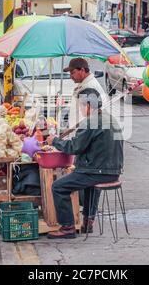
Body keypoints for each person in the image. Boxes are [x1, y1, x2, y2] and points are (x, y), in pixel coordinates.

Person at [45, 88, 124, 239]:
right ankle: (88, 222)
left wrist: (54, 141)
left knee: (58, 187)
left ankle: (67, 227)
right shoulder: (110, 118)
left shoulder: (91, 122)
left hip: (96, 172)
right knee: (88, 185)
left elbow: (74, 147)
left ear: (88, 105)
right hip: (113, 171)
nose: (80, 110)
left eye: (81, 106)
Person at [63, 57, 107, 129]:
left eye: (72, 73)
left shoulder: (89, 86)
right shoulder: (84, 83)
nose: (71, 76)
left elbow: (88, 114)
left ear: (82, 70)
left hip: (83, 131)